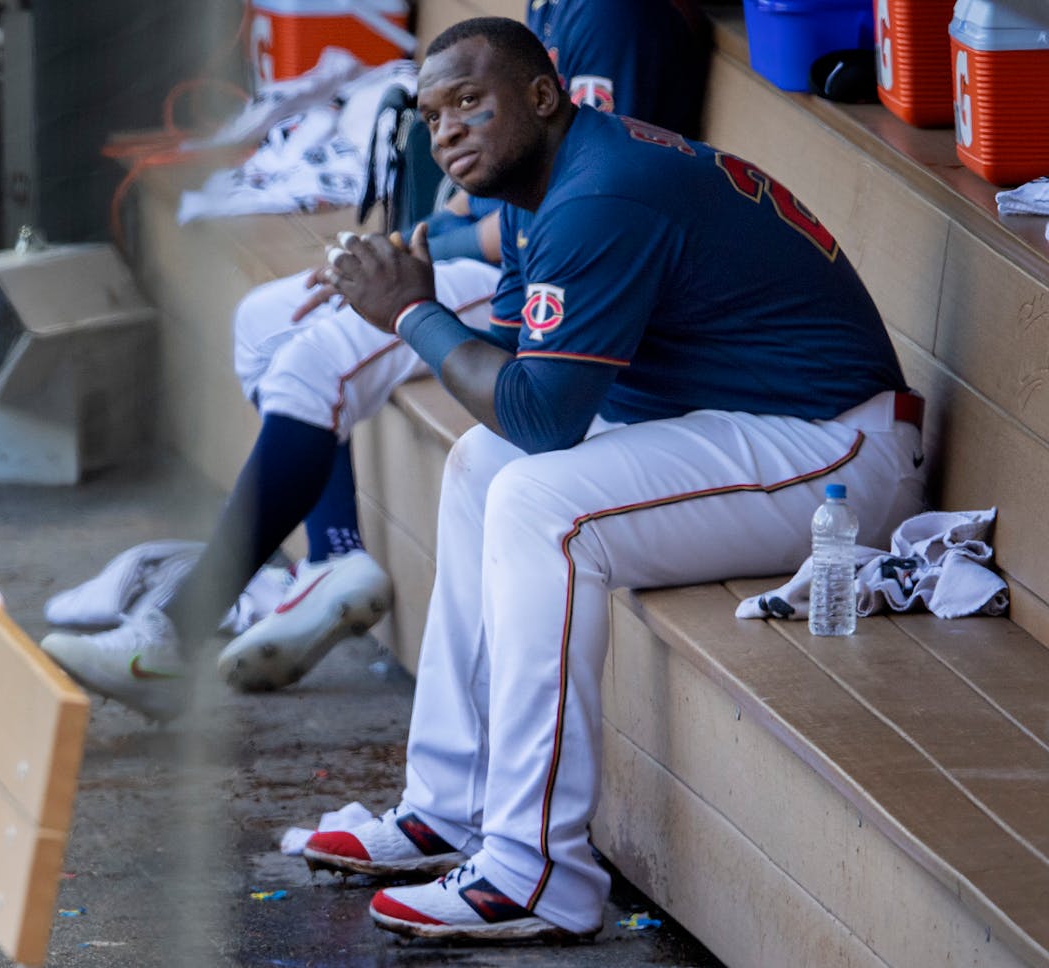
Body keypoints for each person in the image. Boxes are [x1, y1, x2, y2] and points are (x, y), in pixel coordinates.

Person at [295, 16, 925, 943]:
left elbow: (545, 417)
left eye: (471, 101)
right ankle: (448, 807)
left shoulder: (601, 195)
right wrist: (419, 297)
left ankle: (534, 871)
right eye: (432, 116)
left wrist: (412, 314)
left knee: (539, 501)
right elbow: (518, 367)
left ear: (545, 94)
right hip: (747, 428)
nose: (449, 132)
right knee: (483, 466)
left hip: (837, 452)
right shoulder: (540, 182)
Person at [39, 1, 712, 720]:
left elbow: (585, 198)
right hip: (513, 250)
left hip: (569, 275)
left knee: (316, 353)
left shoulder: (614, 14)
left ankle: (173, 633)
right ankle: (331, 558)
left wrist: (411, 262)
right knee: (266, 319)